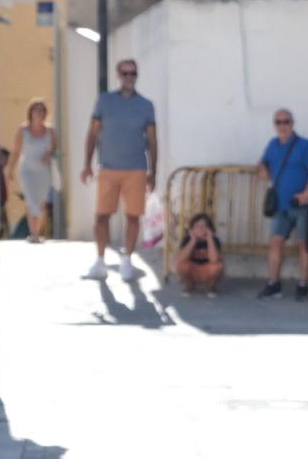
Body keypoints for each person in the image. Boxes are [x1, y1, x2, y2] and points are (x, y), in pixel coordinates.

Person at [80, 59, 157, 280]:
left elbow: (152, 139)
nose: (129, 77)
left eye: (133, 73)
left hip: (137, 169)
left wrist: (153, 170)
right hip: (108, 168)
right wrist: (87, 164)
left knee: (133, 216)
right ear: (118, 75)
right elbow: (93, 133)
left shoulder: (146, 105)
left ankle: (127, 261)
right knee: (101, 216)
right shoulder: (104, 101)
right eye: (125, 73)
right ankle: (100, 261)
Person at [256, 108, 308, 300]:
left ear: (292, 123)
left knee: (304, 244)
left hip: (301, 204)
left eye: (286, 122)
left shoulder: (304, 145)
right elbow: (261, 163)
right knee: (275, 242)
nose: (282, 126)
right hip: (280, 205)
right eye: (279, 122)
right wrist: (263, 169)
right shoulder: (273, 145)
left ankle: (303, 284)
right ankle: (273, 283)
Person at [6, 98, 58, 243]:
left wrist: (50, 154)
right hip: (27, 170)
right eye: (36, 109)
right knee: (30, 199)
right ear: (31, 112)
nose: (39, 112)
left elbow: (55, 149)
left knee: (41, 201)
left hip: (43, 172)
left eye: (42, 110)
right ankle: (34, 233)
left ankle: (37, 231)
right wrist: (10, 170)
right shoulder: (23, 130)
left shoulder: (50, 131)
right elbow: (16, 151)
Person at [173, 212, 226, 296]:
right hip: (193, 270)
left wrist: (209, 239)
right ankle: (189, 285)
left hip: (207, 271)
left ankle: (211, 286)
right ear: (191, 229)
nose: (200, 228)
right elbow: (180, 259)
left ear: (210, 229)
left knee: (218, 266)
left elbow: (214, 259)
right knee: (180, 264)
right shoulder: (187, 239)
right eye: (197, 226)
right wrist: (193, 240)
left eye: (204, 226)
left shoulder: (214, 240)